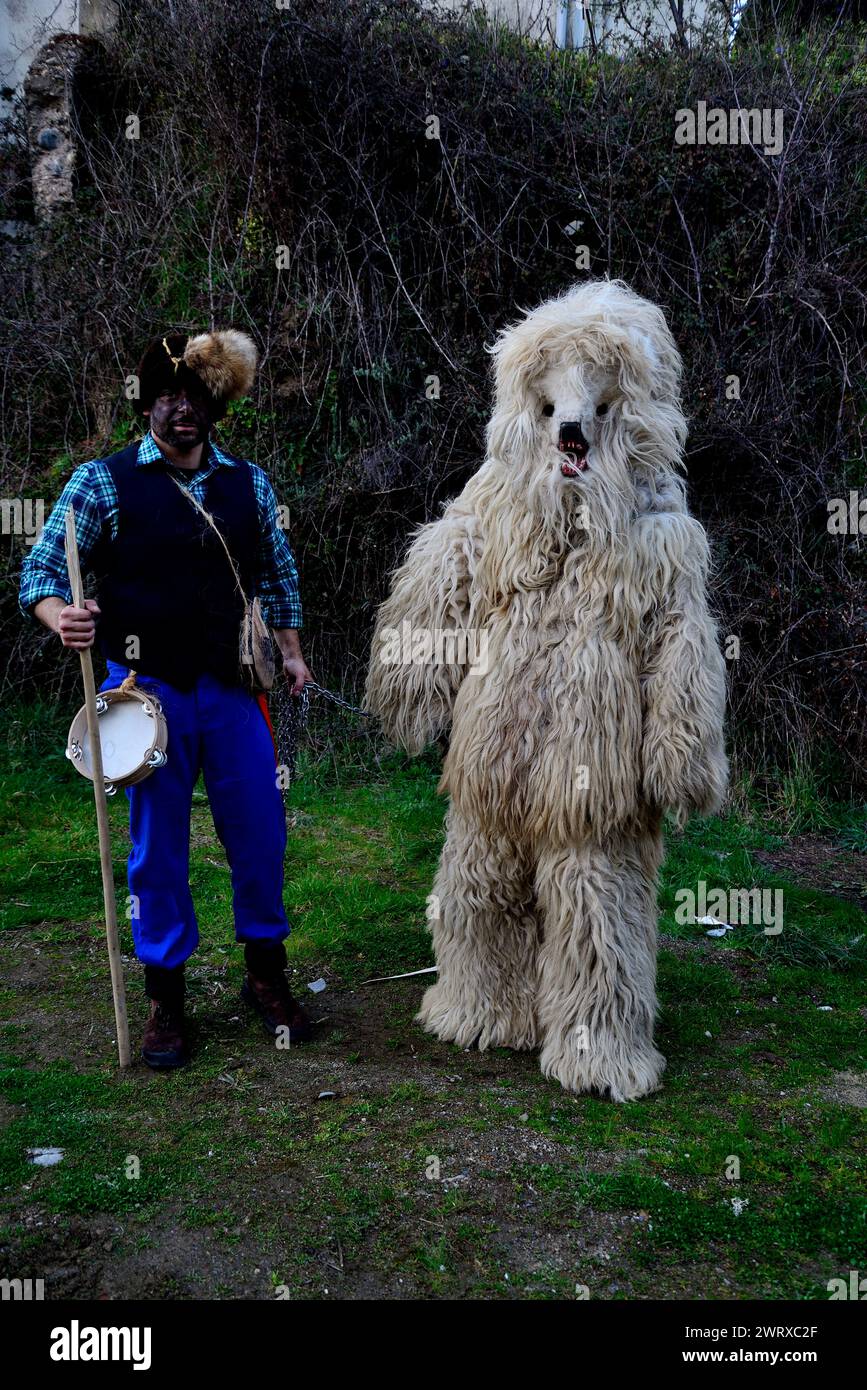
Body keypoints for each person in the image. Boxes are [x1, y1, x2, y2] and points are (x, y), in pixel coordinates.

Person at [19, 328, 314, 1069]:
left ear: (213, 407)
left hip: (232, 692)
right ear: (147, 405)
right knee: (157, 852)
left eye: (194, 399)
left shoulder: (249, 485)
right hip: (146, 695)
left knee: (260, 834)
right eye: (166, 398)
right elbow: (42, 575)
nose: (180, 411)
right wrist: (65, 618)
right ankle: (166, 998)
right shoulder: (102, 483)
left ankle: (266, 976)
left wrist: (292, 654)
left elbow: (277, 577)